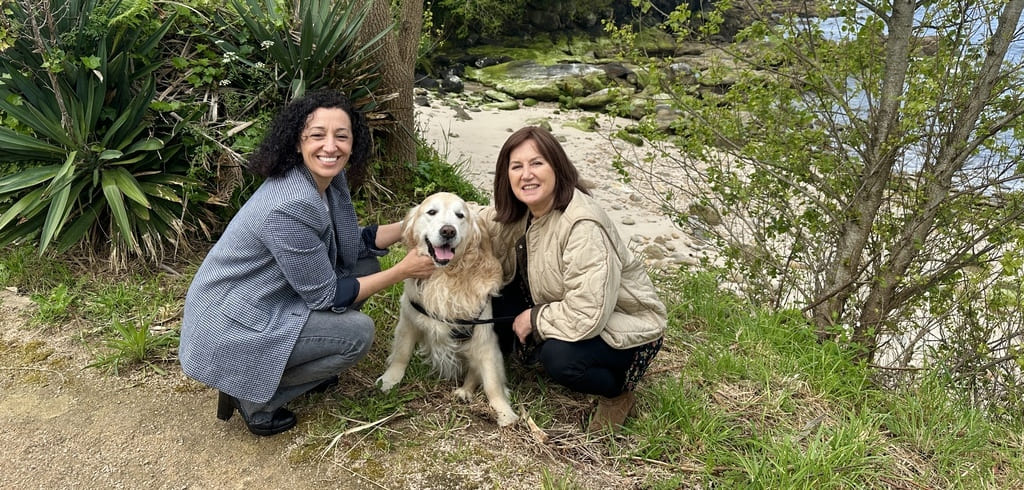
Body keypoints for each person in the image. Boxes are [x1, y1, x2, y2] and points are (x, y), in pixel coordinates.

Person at [179, 90, 436, 436]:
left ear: (353, 143)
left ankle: (299, 363)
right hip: (231, 323)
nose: (330, 146)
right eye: (317, 135)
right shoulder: (290, 205)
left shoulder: (325, 179)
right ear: (297, 142)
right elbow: (327, 296)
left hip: (261, 298)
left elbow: (347, 244)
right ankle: (253, 397)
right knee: (357, 335)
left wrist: (413, 225)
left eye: (341, 136)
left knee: (363, 267)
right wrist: (402, 270)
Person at [480, 126, 667, 432]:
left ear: (557, 166)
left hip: (625, 324)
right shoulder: (523, 212)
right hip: (570, 309)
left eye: (537, 163)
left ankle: (618, 392)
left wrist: (534, 319)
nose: (527, 174)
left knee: (560, 358)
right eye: (517, 166)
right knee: (490, 297)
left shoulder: (582, 224)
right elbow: (479, 219)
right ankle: (500, 362)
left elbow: (587, 312)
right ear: (506, 175)